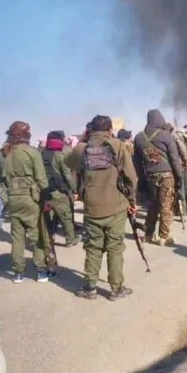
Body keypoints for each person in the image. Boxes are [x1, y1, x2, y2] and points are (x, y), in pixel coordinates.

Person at [66, 115, 137, 301]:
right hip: (116, 206)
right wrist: (131, 200)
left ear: (90, 129)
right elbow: (131, 177)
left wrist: (84, 140)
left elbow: (70, 168)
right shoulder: (118, 145)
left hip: (92, 207)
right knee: (115, 248)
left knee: (93, 248)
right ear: (110, 129)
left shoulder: (81, 148)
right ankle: (116, 289)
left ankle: (90, 287)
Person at [3, 121, 50, 284]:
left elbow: (4, 178)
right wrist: (47, 197)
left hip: (13, 197)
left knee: (17, 238)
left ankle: (18, 273)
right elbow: (41, 179)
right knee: (36, 235)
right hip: (30, 198)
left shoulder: (8, 153)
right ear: (25, 134)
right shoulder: (32, 152)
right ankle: (41, 271)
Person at [134, 109, 184, 245]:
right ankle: (164, 236)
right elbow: (174, 159)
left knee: (152, 205)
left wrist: (142, 180)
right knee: (166, 205)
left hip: (150, 176)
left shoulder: (139, 138)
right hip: (166, 176)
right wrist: (179, 177)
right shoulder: (166, 135)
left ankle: (148, 234)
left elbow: (137, 163)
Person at [41, 131, 80, 247]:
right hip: (59, 191)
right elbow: (67, 175)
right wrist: (75, 190)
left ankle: (48, 239)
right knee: (66, 217)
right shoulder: (59, 155)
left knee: (47, 217)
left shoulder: (41, 154)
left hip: (44, 191)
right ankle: (70, 239)